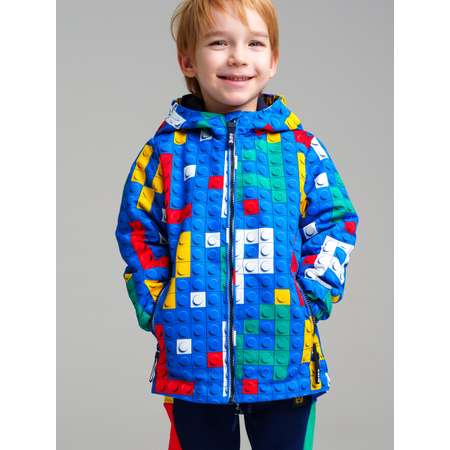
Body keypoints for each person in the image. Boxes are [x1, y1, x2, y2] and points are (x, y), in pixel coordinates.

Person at [115, 0, 359, 449]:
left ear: (273, 60)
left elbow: (335, 221)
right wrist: (159, 306)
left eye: (255, 44)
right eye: (218, 43)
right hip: (193, 357)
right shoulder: (164, 153)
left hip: (283, 351)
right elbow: (138, 230)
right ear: (187, 60)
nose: (238, 57)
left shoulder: (300, 149)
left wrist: (312, 296)